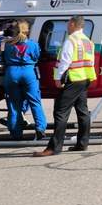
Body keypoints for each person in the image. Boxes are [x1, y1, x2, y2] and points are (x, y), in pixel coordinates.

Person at [33, 15, 96, 157]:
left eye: (68, 24)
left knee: (60, 112)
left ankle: (54, 147)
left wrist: (58, 78)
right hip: (84, 79)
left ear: (73, 24)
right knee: (83, 112)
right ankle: (82, 143)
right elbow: (91, 61)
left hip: (72, 79)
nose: (67, 27)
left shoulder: (71, 40)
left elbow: (65, 61)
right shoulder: (88, 42)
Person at [3, 21, 47, 140]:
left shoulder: (8, 44)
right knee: (34, 101)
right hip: (28, 72)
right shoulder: (32, 45)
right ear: (27, 31)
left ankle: (15, 133)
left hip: (12, 73)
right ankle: (40, 127)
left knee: (13, 104)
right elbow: (37, 57)